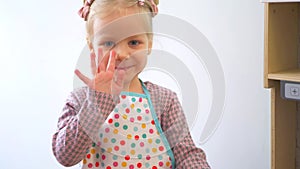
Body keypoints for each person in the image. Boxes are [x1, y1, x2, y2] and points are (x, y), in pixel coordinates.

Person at [52, 0, 211, 168]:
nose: (121, 53)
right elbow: (65, 156)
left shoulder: (165, 100)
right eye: (108, 43)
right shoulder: (80, 99)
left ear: (149, 43)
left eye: (134, 42)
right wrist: (97, 102)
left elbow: (186, 155)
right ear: (91, 45)